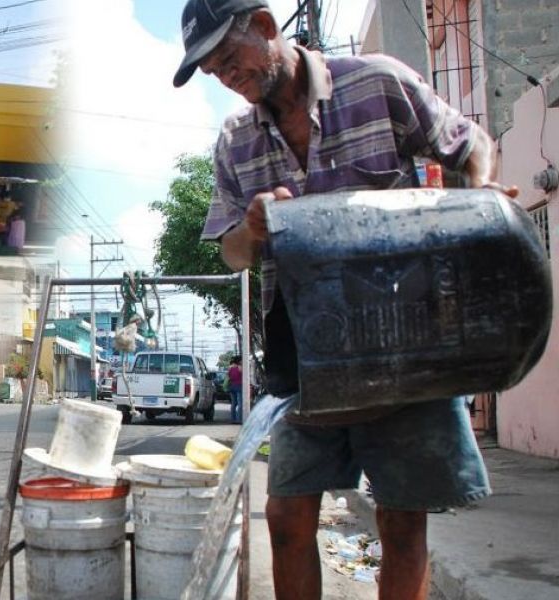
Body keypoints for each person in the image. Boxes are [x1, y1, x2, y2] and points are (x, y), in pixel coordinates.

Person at [174, 1, 507, 598]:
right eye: (212, 71)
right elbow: (231, 253)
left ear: (268, 28)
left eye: (230, 57)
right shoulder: (235, 141)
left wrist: (474, 212)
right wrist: (250, 229)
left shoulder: (377, 82)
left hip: (401, 346)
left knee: (402, 521)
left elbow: (470, 147)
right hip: (308, 356)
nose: (226, 76)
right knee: (285, 517)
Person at [227, 355, 243, 423]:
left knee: (233, 403)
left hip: (231, 386)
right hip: (239, 386)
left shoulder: (230, 368)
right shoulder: (240, 367)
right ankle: (239, 419)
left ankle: (233, 419)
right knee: (240, 404)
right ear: (239, 361)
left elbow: (228, 376)